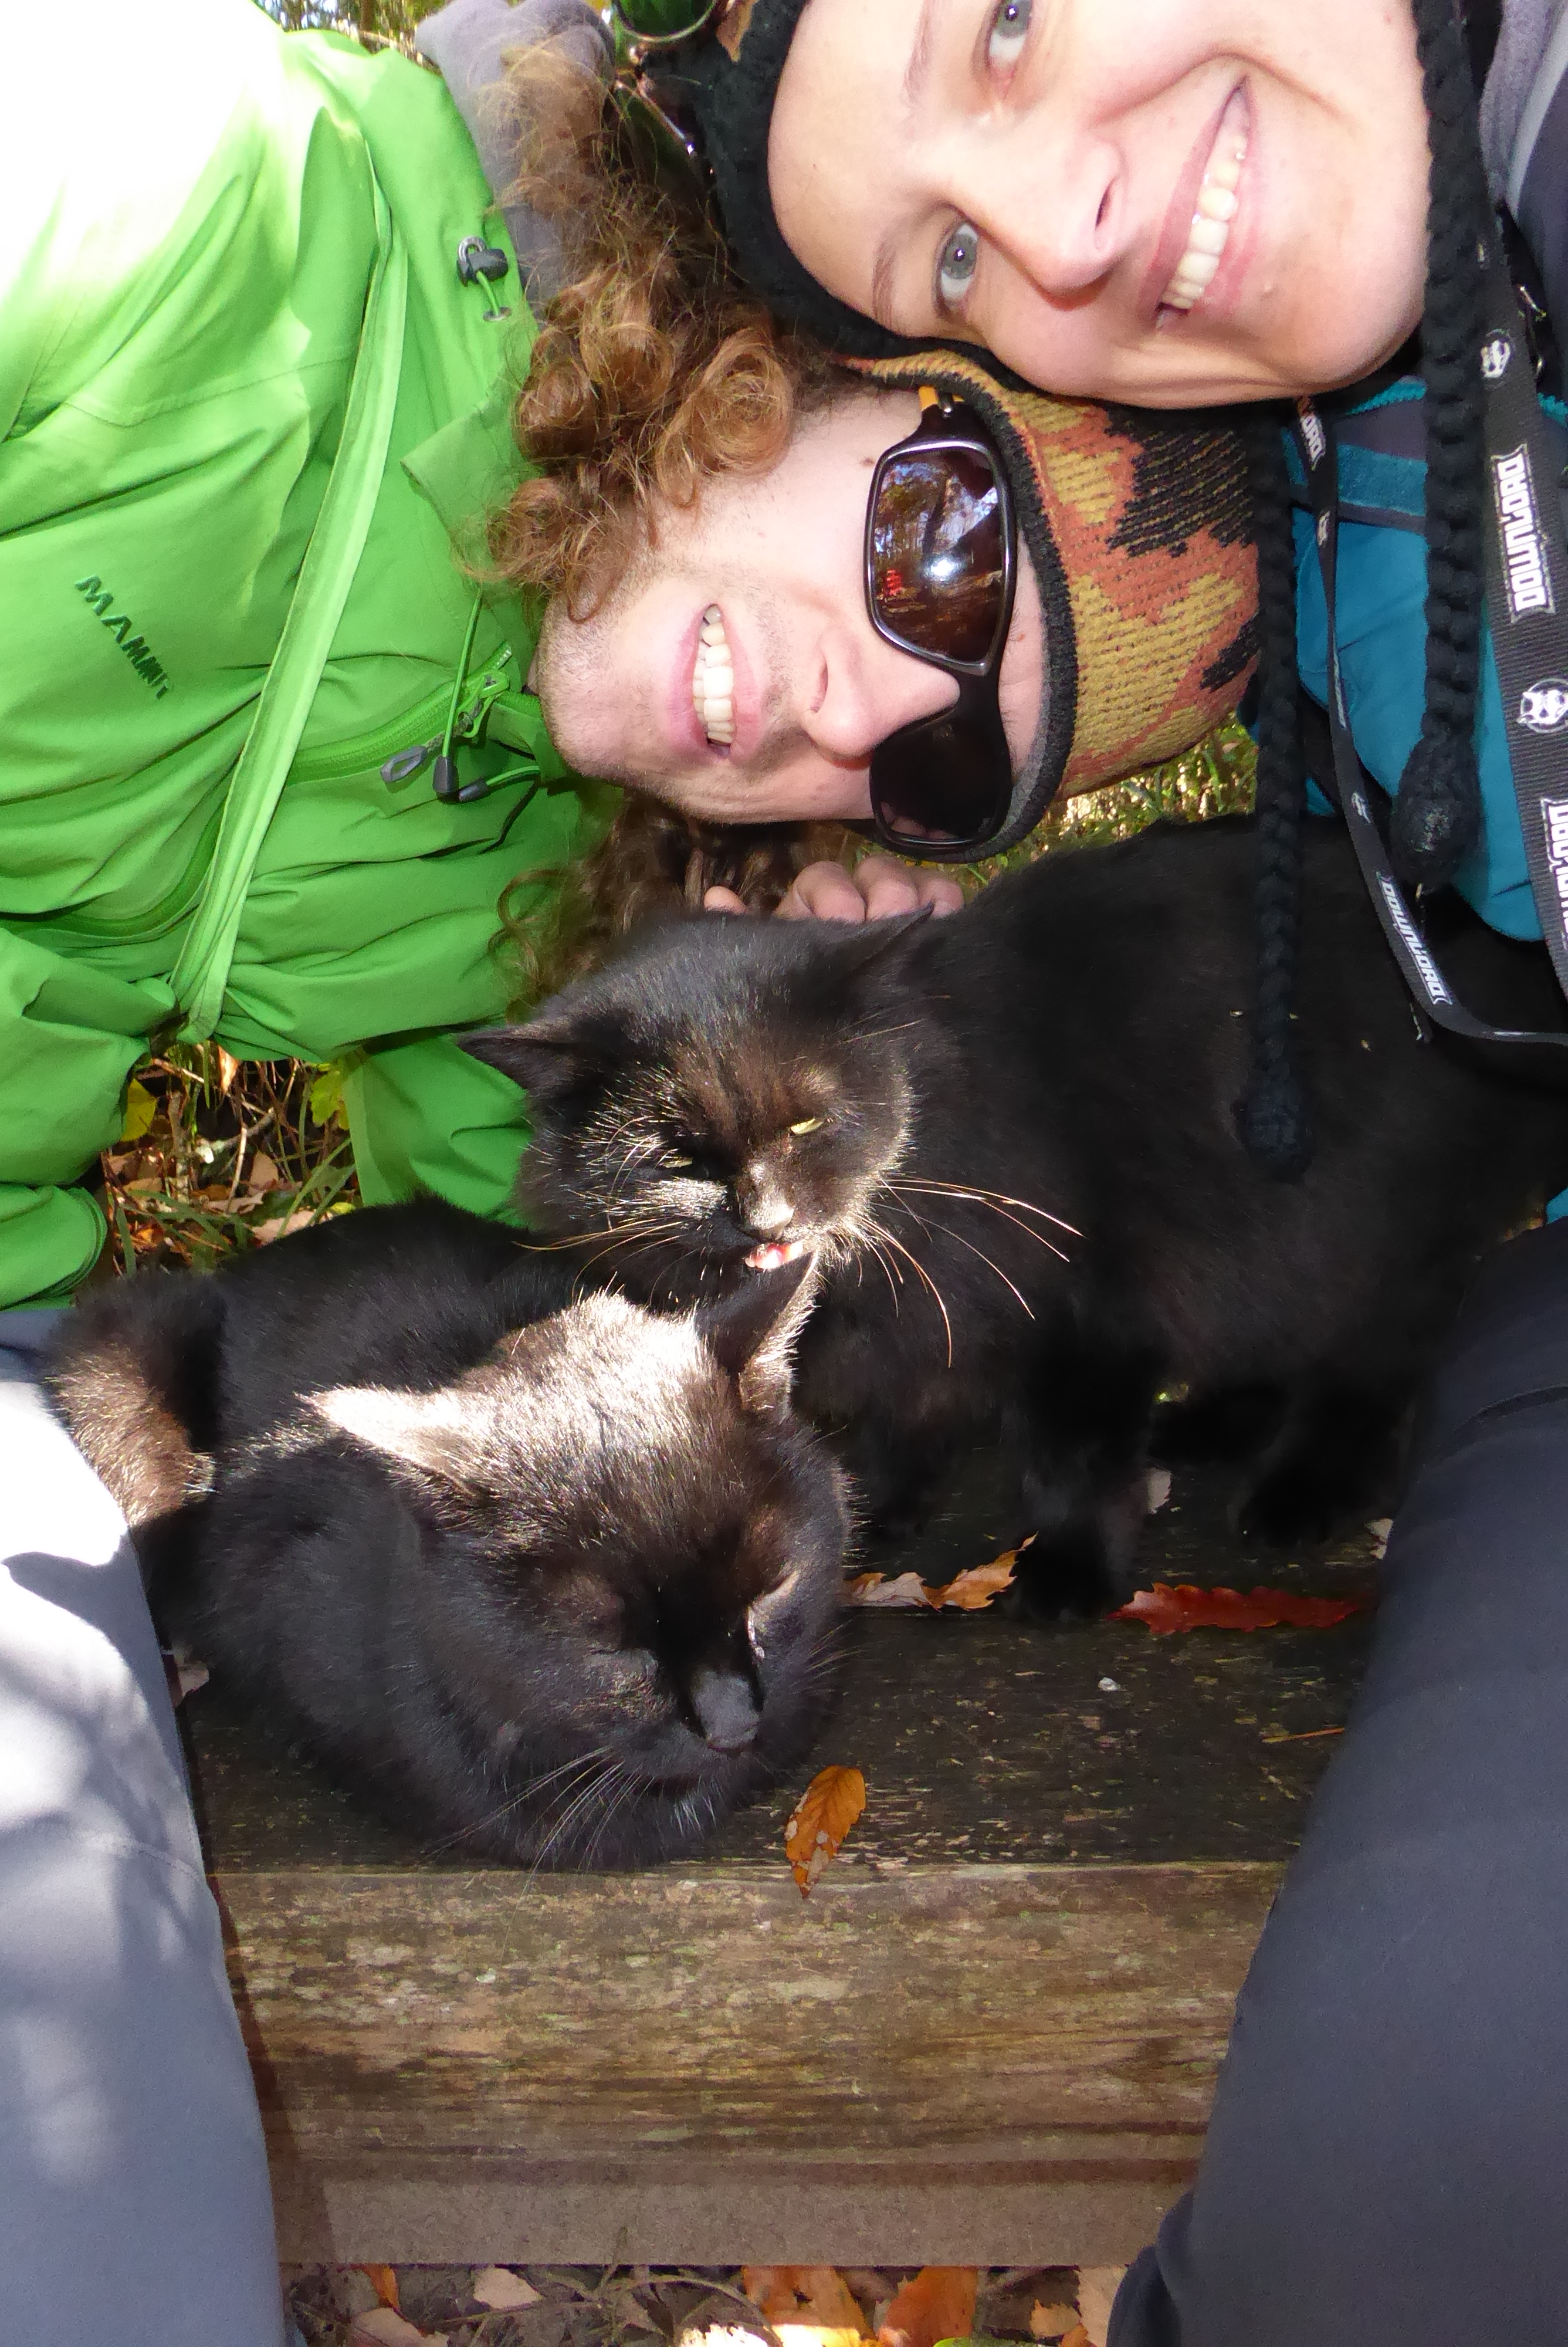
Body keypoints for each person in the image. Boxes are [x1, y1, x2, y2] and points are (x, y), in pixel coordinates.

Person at [0, 4, 1258, 2337]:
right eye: (940, 545)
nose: (856, 706)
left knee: (40, 2249)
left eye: (938, 771)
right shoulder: (137, 197)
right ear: (796, 328)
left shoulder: (523, 864)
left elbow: (543, 1306)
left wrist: (759, 1056)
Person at [574, 1, 1568, 2339]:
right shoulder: (1336, 557)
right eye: (949, 263)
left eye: (1004, 17)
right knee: (1385, 2221)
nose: (1060, 219)